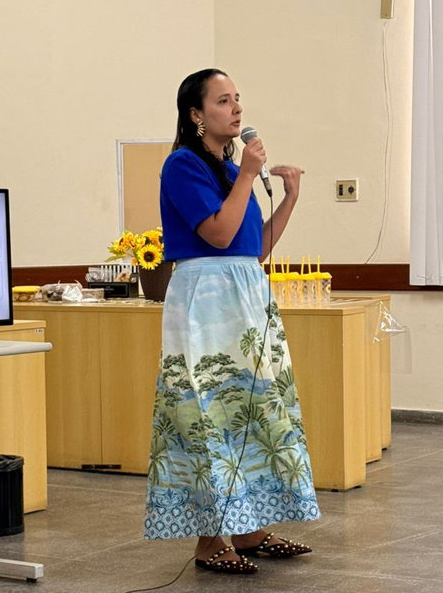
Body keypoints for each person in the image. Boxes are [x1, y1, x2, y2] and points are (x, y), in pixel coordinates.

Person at [144, 69, 320, 575]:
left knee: (256, 408)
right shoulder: (182, 165)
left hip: (245, 293)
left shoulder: (228, 169)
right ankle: (208, 539)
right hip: (206, 298)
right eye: (223, 100)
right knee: (208, 412)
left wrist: (289, 198)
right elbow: (218, 236)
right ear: (196, 114)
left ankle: (249, 529)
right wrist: (247, 174)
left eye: (238, 99)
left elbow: (253, 247)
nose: (237, 108)